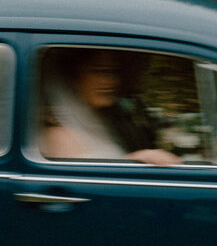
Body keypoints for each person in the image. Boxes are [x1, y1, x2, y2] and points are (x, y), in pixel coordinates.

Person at [39, 48, 181, 166]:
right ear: (74, 77)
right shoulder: (57, 134)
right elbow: (87, 184)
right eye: (99, 71)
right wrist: (137, 159)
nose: (111, 81)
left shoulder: (102, 121)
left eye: (113, 72)